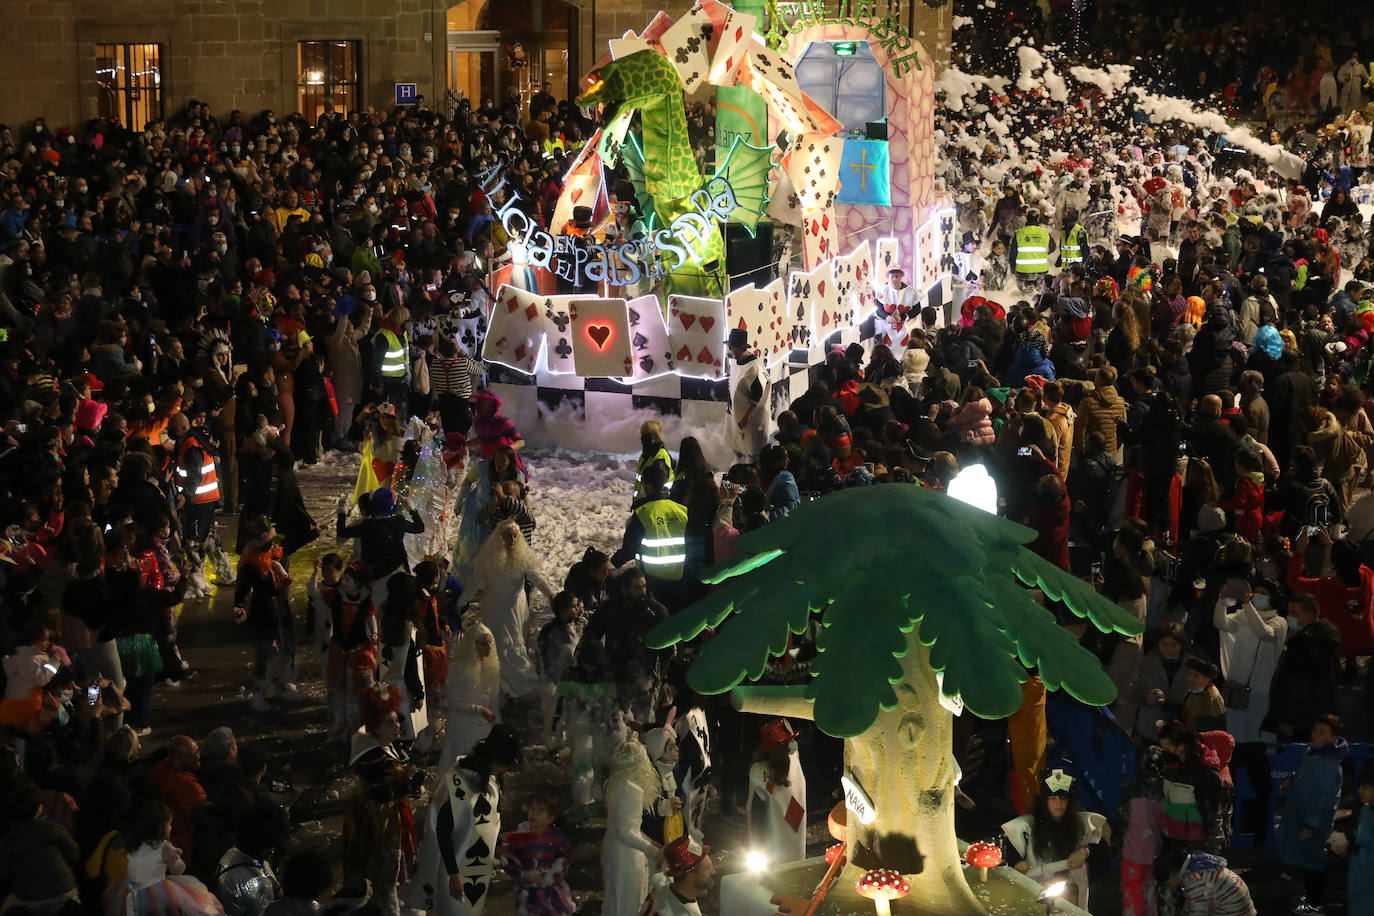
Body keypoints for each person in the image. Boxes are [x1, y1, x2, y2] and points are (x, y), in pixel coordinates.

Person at [404, 725, 524, 916]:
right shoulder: (460, 782)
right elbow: (442, 830)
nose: (508, 769)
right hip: (455, 870)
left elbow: (484, 822)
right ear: (498, 760)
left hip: (475, 867)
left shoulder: (489, 777)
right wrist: (453, 874)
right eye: (508, 764)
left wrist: (500, 845)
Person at [343, 684, 424, 916]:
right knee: (385, 868)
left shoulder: (393, 746)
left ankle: (399, 903)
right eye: (390, 723)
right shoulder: (371, 756)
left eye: (397, 720)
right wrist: (408, 787)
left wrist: (410, 788)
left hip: (395, 812)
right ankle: (388, 909)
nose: (397, 725)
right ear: (375, 727)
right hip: (378, 819)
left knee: (401, 863)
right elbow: (378, 794)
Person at [464, 520, 555, 700]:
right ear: (500, 537)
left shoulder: (522, 558)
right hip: (494, 606)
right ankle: (495, 679)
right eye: (508, 536)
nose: (512, 539)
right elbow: (474, 583)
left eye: (515, 536)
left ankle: (515, 681)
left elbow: (536, 577)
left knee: (514, 641)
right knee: (495, 641)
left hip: (515, 608)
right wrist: (460, 601)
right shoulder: (489, 559)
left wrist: (552, 595)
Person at [1002, 769, 1108, 909]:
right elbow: (1011, 851)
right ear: (1045, 801)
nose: (1059, 804)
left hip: (1071, 895)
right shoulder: (1027, 825)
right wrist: (1017, 862)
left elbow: (1102, 851)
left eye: (1063, 798)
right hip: (1036, 891)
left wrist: (1084, 852)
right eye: (1053, 798)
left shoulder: (1082, 823)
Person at [1276, 714, 1349, 915]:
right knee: (1305, 860)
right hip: (1302, 816)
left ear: (1333, 738)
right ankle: (1310, 898)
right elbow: (1302, 773)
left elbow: (1325, 799)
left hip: (1313, 822)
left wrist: (1310, 824)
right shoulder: (1314, 752)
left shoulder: (1330, 764)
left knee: (1312, 864)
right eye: (1315, 731)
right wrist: (1292, 779)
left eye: (1322, 733)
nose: (1315, 735)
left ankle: (1315, 904)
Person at [232, 517, 302, 712]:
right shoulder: (250, 565)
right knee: (265, 654)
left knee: (288, 646)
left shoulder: (274, 558)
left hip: (281, 608)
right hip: (263, 612)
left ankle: (286, 683)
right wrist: (239, 606)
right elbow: (242, 590)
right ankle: (259, 693)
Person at [109, 799, 224, 916]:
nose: (170, 827)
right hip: (157, 891)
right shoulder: (163, 846)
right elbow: (178, 869)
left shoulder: (134, 844)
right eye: (169, 824)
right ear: (161, 827)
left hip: (131, 888)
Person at [1264, 593, 1341, 741]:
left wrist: (1288, 722)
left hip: (1298, 724)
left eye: (1294, 613)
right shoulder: (1323, 640)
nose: (1290, 617)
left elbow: (1298, 687)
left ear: (1311, 614)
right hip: (1313, 723)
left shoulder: (1306, 645)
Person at [0, 779, 81, 916]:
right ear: (39, 808)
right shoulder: (53, 828)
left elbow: (3, 871)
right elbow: (74, 853)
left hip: (29, 898)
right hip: (64, 892)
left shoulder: (8, 840)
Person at [601, 736, 663, 916]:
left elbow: (624, 826)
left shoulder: (615, 784)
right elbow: (625, 831)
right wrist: (651, 850)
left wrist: (649, 841)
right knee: (628, 901)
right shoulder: (632, 790)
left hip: (612, 848)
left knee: (614, 898)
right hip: (626, 856)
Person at [498, 796, 575, 916]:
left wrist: (554, 873)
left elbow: (565, 857)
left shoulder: (557, 837)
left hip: (552, 891)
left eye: (540, 810)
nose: (534, 813)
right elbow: (507, 860)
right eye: (532, 809)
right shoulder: (516, 838)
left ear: (550, 818)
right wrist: (522, 874)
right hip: (527, 893)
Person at [440, 622, 501, 772]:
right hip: (464, 726)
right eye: (483, 644)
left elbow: (492, 698)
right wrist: (478, 709)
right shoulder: (462, 669)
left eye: (489, 643)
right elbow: (453, 701)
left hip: (484, 724)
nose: (488, 647)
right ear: (473, 646)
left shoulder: (488, 666)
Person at [746, 719, 807, 866]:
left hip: (772, 852)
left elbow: (756, 816)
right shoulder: (796, 763)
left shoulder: (759, 772)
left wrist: (756, 847)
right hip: (797, 849)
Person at [152, 737, 207, 862]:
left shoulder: (160, 772)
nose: (198, 757)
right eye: (190, 756)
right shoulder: (190, 789)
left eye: (197, 752)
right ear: (176, 761)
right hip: (185, 850)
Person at [1154, 848, 1256, 916]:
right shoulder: (1195, 864)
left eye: (1167, 883)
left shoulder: (1194, 880)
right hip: (1242, 907)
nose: (1170, 886)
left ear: (1172, 874)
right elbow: (1192, 901)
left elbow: (1198, 912)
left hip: (1234, 912)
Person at [638, 836, 715, 916]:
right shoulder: (675, 912)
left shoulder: (664, 891)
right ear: (691, 876)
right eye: (708, 867)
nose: (713, 871)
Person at [726, 328, 769, 462]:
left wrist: (746, 417)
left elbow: (757, 395)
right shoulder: (737, 363)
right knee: (738, 449)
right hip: (737, 416)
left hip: (749, 421)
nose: (729, 350)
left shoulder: (753, 368)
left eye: (731, 347)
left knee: (751, 454)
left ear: (739, 348)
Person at [634, 420, 674, 498]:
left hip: (657, 502)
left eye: (647, 434)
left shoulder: (661, 456)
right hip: (643, 501)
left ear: (655, 436)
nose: (643, 437)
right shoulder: (644, 456)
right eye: (643, 434)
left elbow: (658, 484)